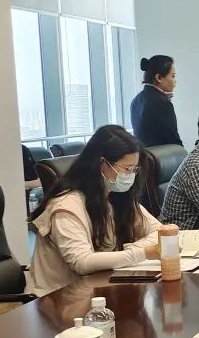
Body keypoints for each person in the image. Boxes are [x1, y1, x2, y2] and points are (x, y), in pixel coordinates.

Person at [29, 125, 161, 295]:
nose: (131, 176)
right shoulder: (66, 206)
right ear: (102, 163)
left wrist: (132, 250)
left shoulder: (117, 196)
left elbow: (160, 232)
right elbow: (82, 262)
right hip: (57, 299)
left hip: (98, 291)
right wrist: (142, 253)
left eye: (134, 169)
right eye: (126, 169)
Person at [129, 55, 182, 147]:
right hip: (162, 155)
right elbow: (174, 141)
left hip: (143, 154)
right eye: (173, 76)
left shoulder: (136, 100)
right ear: (159, 78)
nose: (175, 81)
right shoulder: (162, 102)